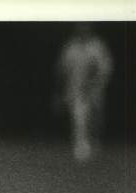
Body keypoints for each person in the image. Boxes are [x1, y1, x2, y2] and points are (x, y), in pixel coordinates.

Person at [55, 23, 112, 162]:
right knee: (78, 118)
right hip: (74, 89)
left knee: (95, 119)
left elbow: (106, 68)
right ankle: (81, 148)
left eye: (85, 29)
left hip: (95, 89)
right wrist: (60, 90)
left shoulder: (97, 46)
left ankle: (95, 143)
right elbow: (62, 68)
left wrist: (93, 81)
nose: (82, 32)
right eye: (80, 29)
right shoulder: (70, 47)